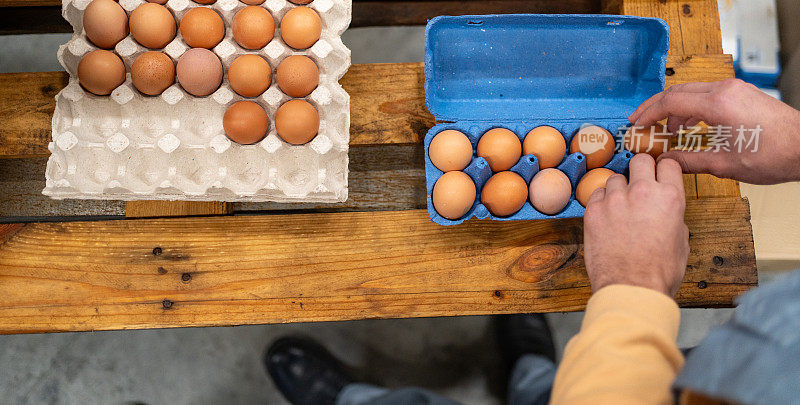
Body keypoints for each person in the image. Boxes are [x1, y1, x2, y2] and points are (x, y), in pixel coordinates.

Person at [264, 78, 800, 404]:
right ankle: (531, 373)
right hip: (670, 381)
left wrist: (635, 286)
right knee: (560, 385)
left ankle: (356, 400)